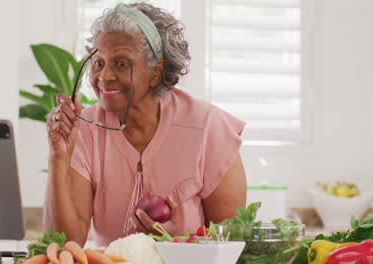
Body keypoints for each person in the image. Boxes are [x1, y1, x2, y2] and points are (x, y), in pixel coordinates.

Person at [43, 2, 247, 247]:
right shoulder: (84, 130)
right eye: (98, 63)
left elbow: (232, 246)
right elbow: (63, 246)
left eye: (121, 63)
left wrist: (179, 246)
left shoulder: (208, 129)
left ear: (156, 71)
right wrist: (59, 158)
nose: (105, 77)